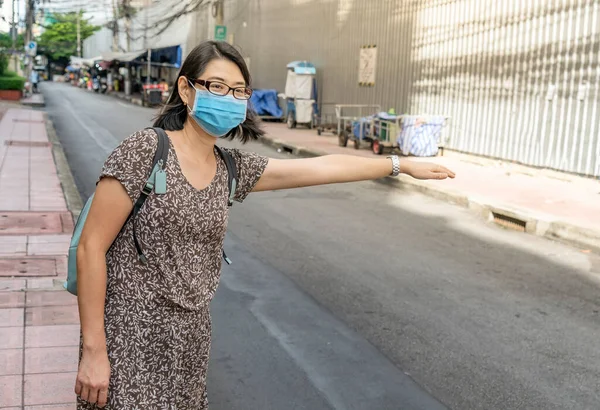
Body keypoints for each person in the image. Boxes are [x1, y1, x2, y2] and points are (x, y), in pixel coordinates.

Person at [75, 40, 455, 410]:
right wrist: (94, 350)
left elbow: (320, 167)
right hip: (127, 336)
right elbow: (92, 247)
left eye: (239, 91)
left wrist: (399, 165)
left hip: (188, 342)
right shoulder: (145, 150)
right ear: (186, 90)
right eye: (218, 86)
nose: (229, 98)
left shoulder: (230, 168)